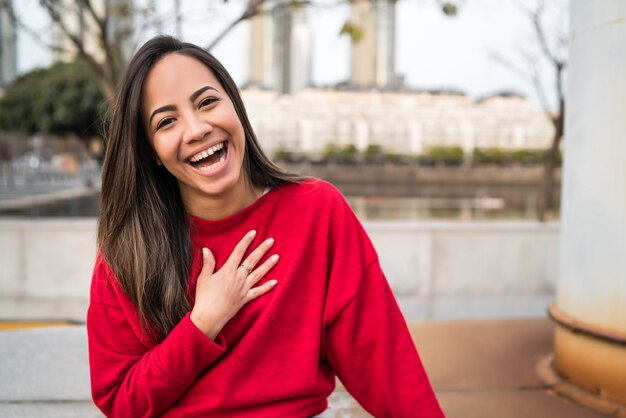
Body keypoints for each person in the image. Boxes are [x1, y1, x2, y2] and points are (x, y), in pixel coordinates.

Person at [87, 35, 444, 418]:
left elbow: (382, 361)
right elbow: (122, 402)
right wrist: (202, 323)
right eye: (167, 122)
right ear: (151, 152)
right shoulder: (130, 248)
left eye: (207, 102)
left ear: (235, 108)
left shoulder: (316, 212)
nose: (196, 129)